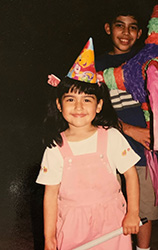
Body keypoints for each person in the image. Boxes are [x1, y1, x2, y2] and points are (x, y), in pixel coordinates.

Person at [36, 38, 141, 250]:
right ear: (59, 104)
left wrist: (133, 212)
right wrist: (49, 237)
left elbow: (130, 174)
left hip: (112, 221)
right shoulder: (55, 147)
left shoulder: (111, 136)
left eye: (87, 100)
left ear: (99, 105)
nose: (78, 107)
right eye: (70, 99)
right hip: (73, 224)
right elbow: (51, 195)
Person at [96, 7, 158, 250]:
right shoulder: (96, 65)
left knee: (143, 211)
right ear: (109, 29)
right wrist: (129, 129)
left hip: (144, 154)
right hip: (107, 153)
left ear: (140, 33)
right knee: (110, 211)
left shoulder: (148, 61)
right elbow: (91, 114)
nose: (125, 32)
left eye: (132, 27)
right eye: (120, 25)